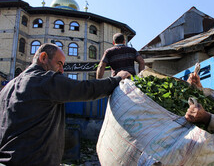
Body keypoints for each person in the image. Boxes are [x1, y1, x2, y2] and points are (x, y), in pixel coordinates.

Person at [0, 43, 131, 166]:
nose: (62, 70)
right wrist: (118, 78)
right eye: (59, 63)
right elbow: (86, 89)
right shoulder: (44, 80)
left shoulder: (7, 88)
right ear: (43, 57)